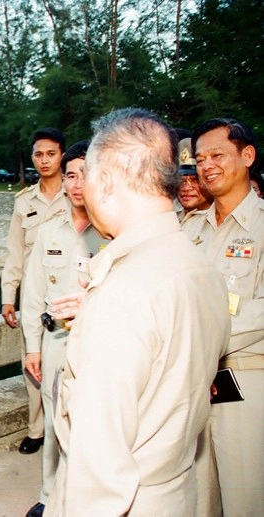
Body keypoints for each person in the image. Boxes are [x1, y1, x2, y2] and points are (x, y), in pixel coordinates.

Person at [44, 108, 230, 516]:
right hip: (173, 491)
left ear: (106, 182)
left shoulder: (123, 294)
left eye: (87, 176)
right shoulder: (202, 269)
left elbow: (100, 471)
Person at [20, 140, 110, 517]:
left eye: (84, 175)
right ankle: (48, 495)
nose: (76, 184)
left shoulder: (112, 231)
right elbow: (34, 292)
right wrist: (33, 347)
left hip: (100, 343)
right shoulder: (50, 230)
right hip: (56, 339)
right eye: (70, 175)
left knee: (96, 422)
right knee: (56, 419)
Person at [182, 117, 264, 516]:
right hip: (192, 385)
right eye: (200, 158)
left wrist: (202, 342)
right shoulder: (189, 231)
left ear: (247, 156)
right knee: (197, 500)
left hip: (247, 382)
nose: (206, 165)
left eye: (217, 154)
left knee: (245, 499)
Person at [0, 127, 70, 455]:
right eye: (39, 154)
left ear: (62, 156)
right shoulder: (24, 201)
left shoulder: (77, 194)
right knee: (32, 364)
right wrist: (7, 296)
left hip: (66, 296)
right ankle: (36, 430)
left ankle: (65, 431)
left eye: (51, 154)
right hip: (31, 296)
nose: (44, 160)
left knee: (68, 367)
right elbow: (15, 252)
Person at [175, 136, 213, 221]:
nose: (186, 188)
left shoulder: (219, 220)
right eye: (181, 180)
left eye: (195, 179)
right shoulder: (170, 216)